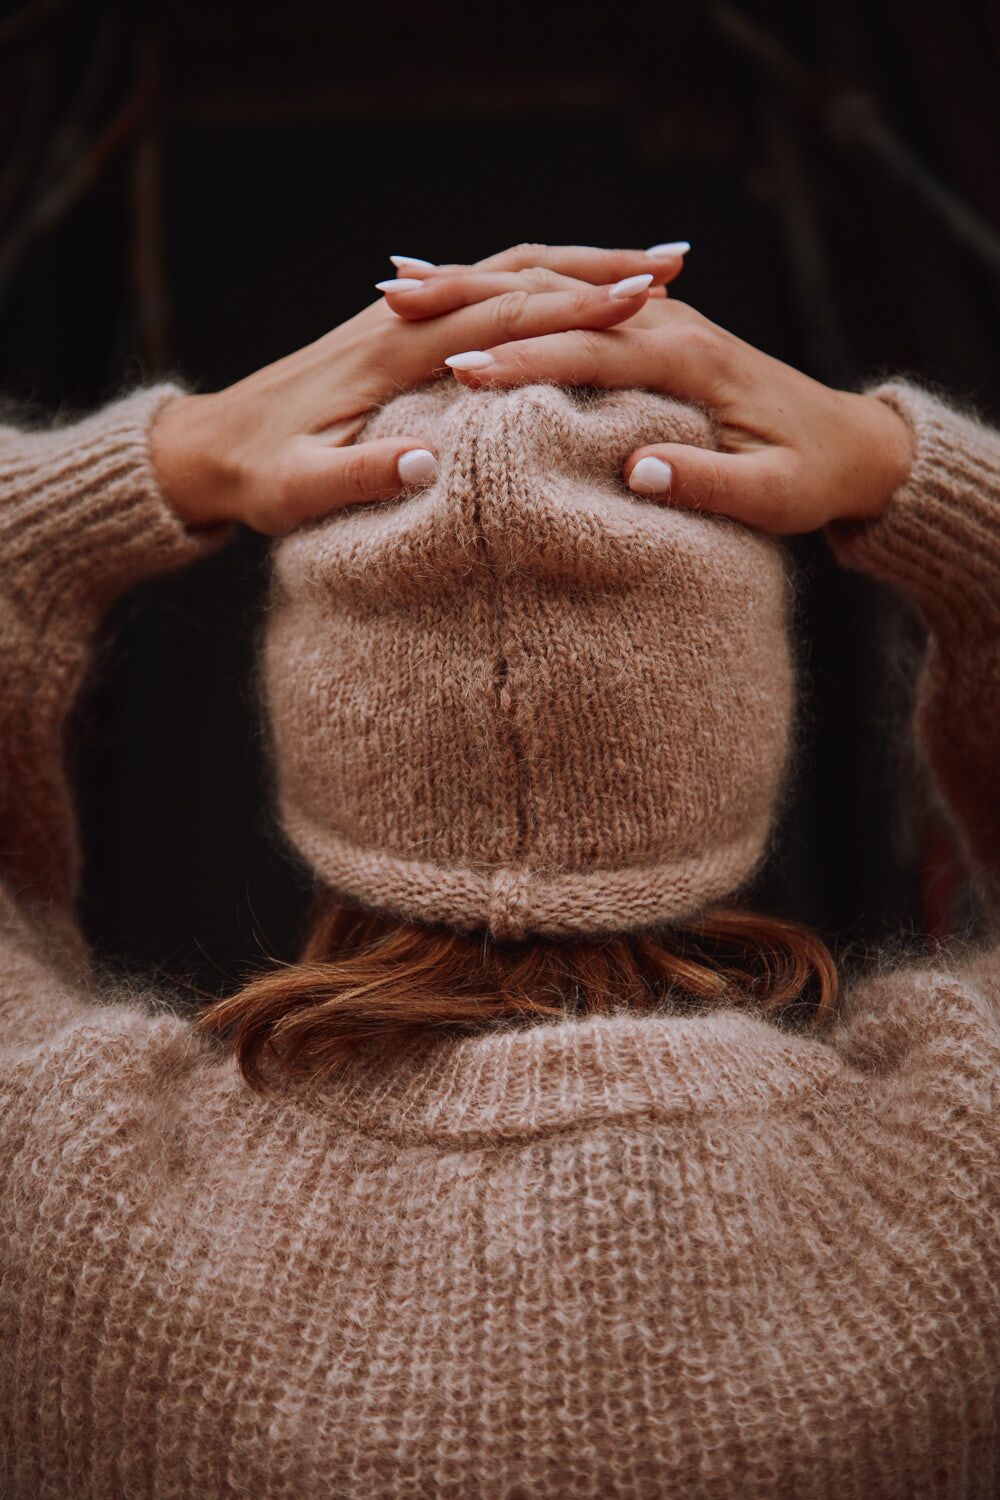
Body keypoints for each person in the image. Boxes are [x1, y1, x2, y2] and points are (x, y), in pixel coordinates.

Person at [1, 241, 997, 1499]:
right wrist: (896, 468)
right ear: (740, 721)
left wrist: (178, 455)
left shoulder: (58, 1200)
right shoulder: (966, 1184)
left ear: (316, 724)